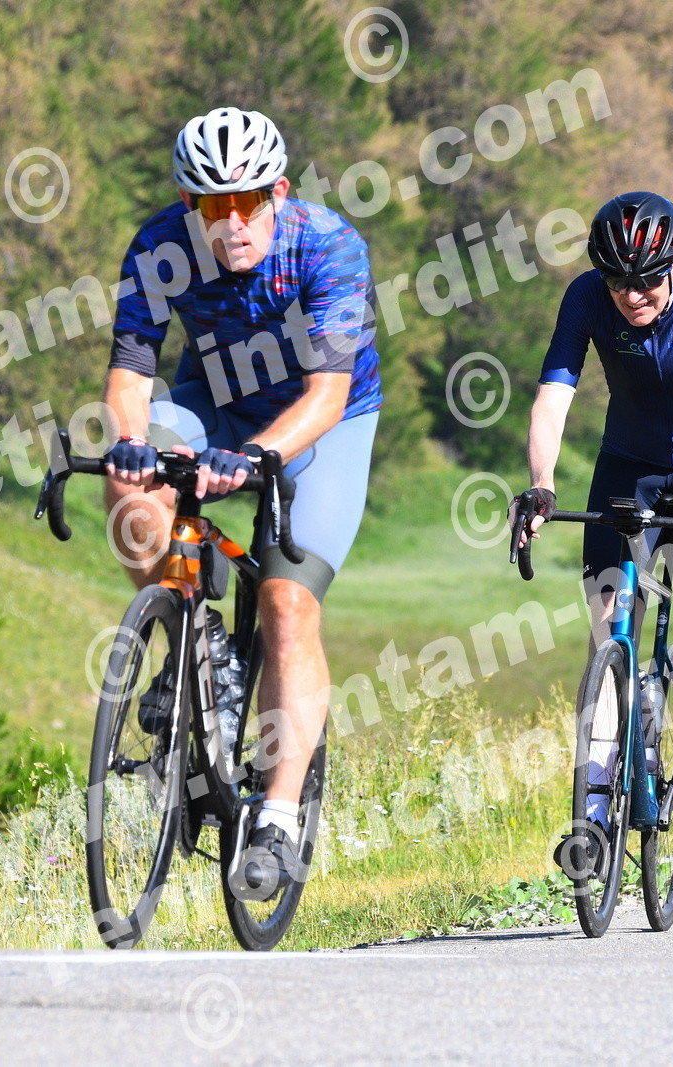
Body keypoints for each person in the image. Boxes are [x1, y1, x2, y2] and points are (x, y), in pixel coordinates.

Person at [101, 107, 381, 896]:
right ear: (188, 205)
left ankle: (278, 819)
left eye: (248, 201)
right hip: (215, 400)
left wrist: (258, 457)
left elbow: (326, 396)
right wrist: (132, 442)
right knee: (128, 484)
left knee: (288, 603)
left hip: (324, 422)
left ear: (277, 193)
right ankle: (195, 647)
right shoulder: (160, 245)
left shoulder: (327, 245)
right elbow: (129, 377)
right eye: (214, 205)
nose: (233, 222)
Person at [512, 191, 673, 843]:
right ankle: (592, 816)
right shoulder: (586, 297)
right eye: (617, 281)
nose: (631, 294)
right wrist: (541, 484)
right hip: (630, 467)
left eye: (646, 279)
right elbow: (553, 397)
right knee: (606, 631)